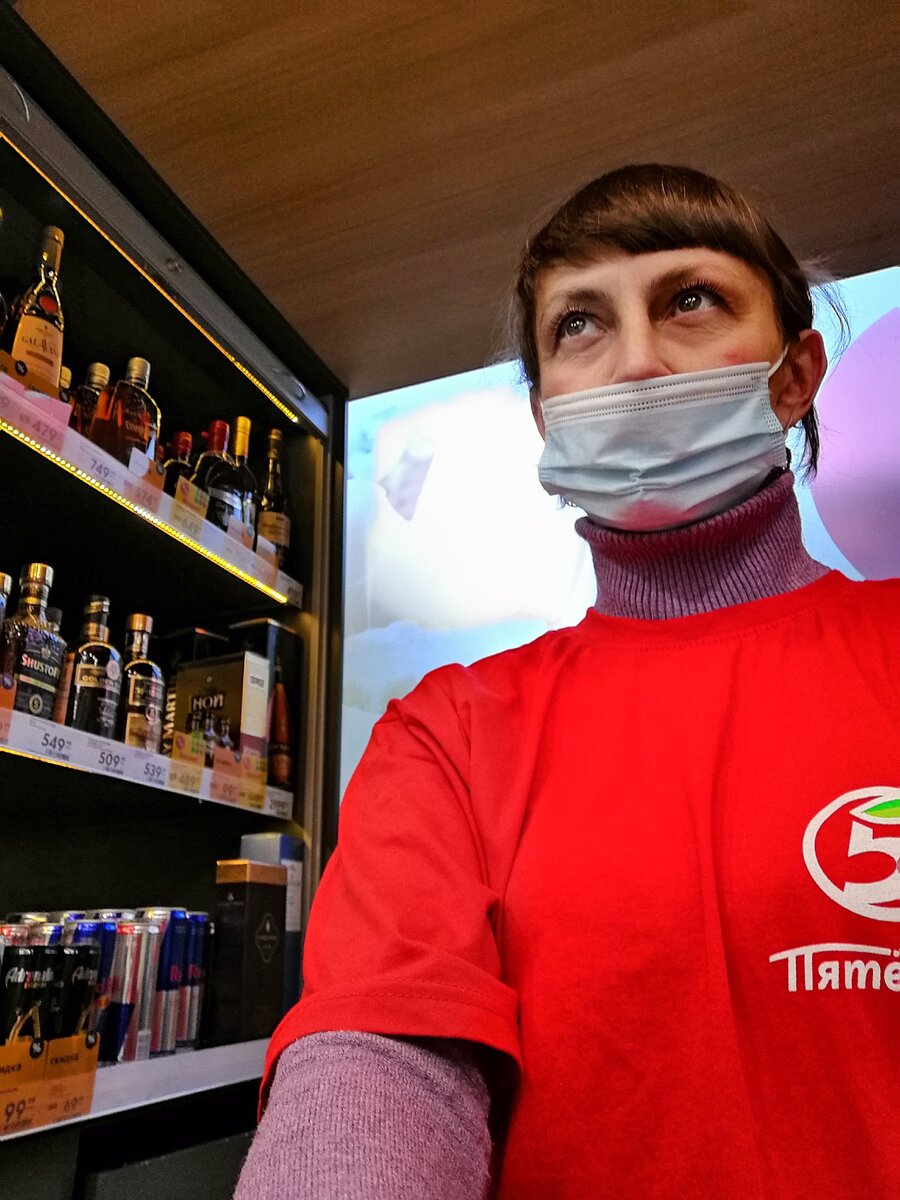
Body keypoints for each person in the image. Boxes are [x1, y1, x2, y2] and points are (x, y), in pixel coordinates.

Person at [235, 165, 900, 1199]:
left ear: (795, 374)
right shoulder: (448, 732)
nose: (636, 362)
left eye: (691, 299)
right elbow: (384, 1055)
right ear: (547, 416)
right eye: (579, 325)